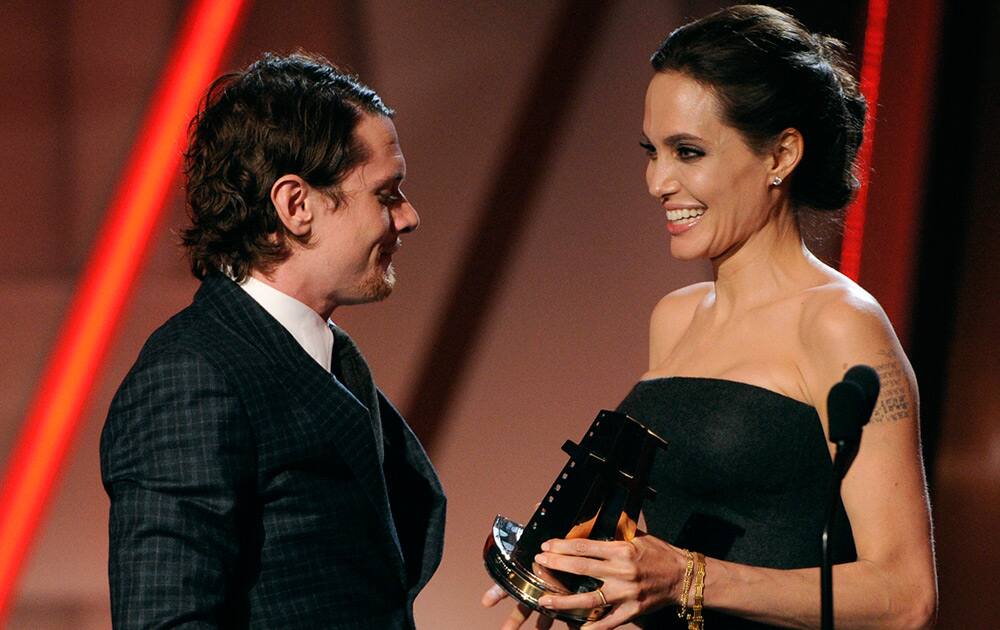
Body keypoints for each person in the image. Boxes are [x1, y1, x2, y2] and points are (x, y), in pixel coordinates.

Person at [483, 5, 936, 629]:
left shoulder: (840, 326)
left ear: (781, 156)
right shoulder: (675, 317)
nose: (657, 181)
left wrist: (691, 577)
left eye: (687, 152)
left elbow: (906, 597)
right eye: (653, 151)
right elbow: (658, 556)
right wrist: (573, 575)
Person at [100, 52, 445, 629]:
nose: (408, 218)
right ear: (296, 205)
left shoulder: (322, 354)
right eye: (386, 194)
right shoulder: (191, 377)